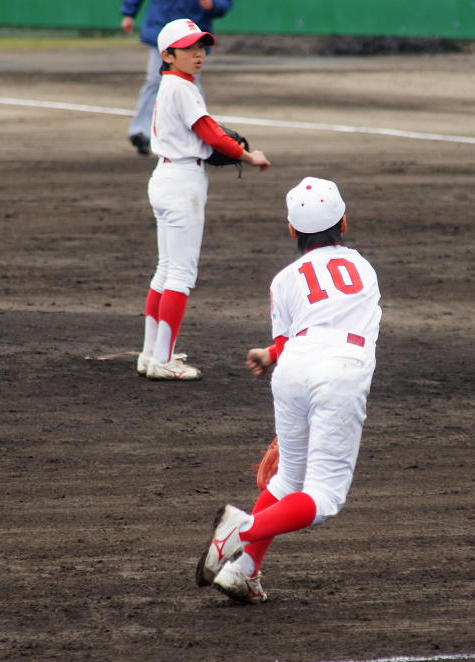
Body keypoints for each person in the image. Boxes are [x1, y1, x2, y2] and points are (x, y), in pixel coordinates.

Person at [195, 177, 382, 602]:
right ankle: (241, 531)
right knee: (324, 496)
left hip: (294, 367)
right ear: (344, 223)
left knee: (286, 481)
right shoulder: (363, 268)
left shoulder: (284, 279)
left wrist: (269, 353)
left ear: (291, 229)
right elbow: (336, 321)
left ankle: (243, 572)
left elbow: (295, 335)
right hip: (340, 370)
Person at [138, 18, 270, 381]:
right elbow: (209, 132)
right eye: (189, 48)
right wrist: (248, 156)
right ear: (167, 55)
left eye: (201, 47)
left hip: (165, 177)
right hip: (182, 183)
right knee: (180, 274)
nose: (198, 54)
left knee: (166, 270)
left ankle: (151, 354)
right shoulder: (182, 87)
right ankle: (163, 360)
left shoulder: (171, 84)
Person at [120, 0, 233, 156]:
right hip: (161, 24)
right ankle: (142, 132)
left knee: (190, 85)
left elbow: (224, 3)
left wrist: (214, 5)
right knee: (155, 81)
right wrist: (129, 13)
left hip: (193, 32)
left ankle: (200, 134)